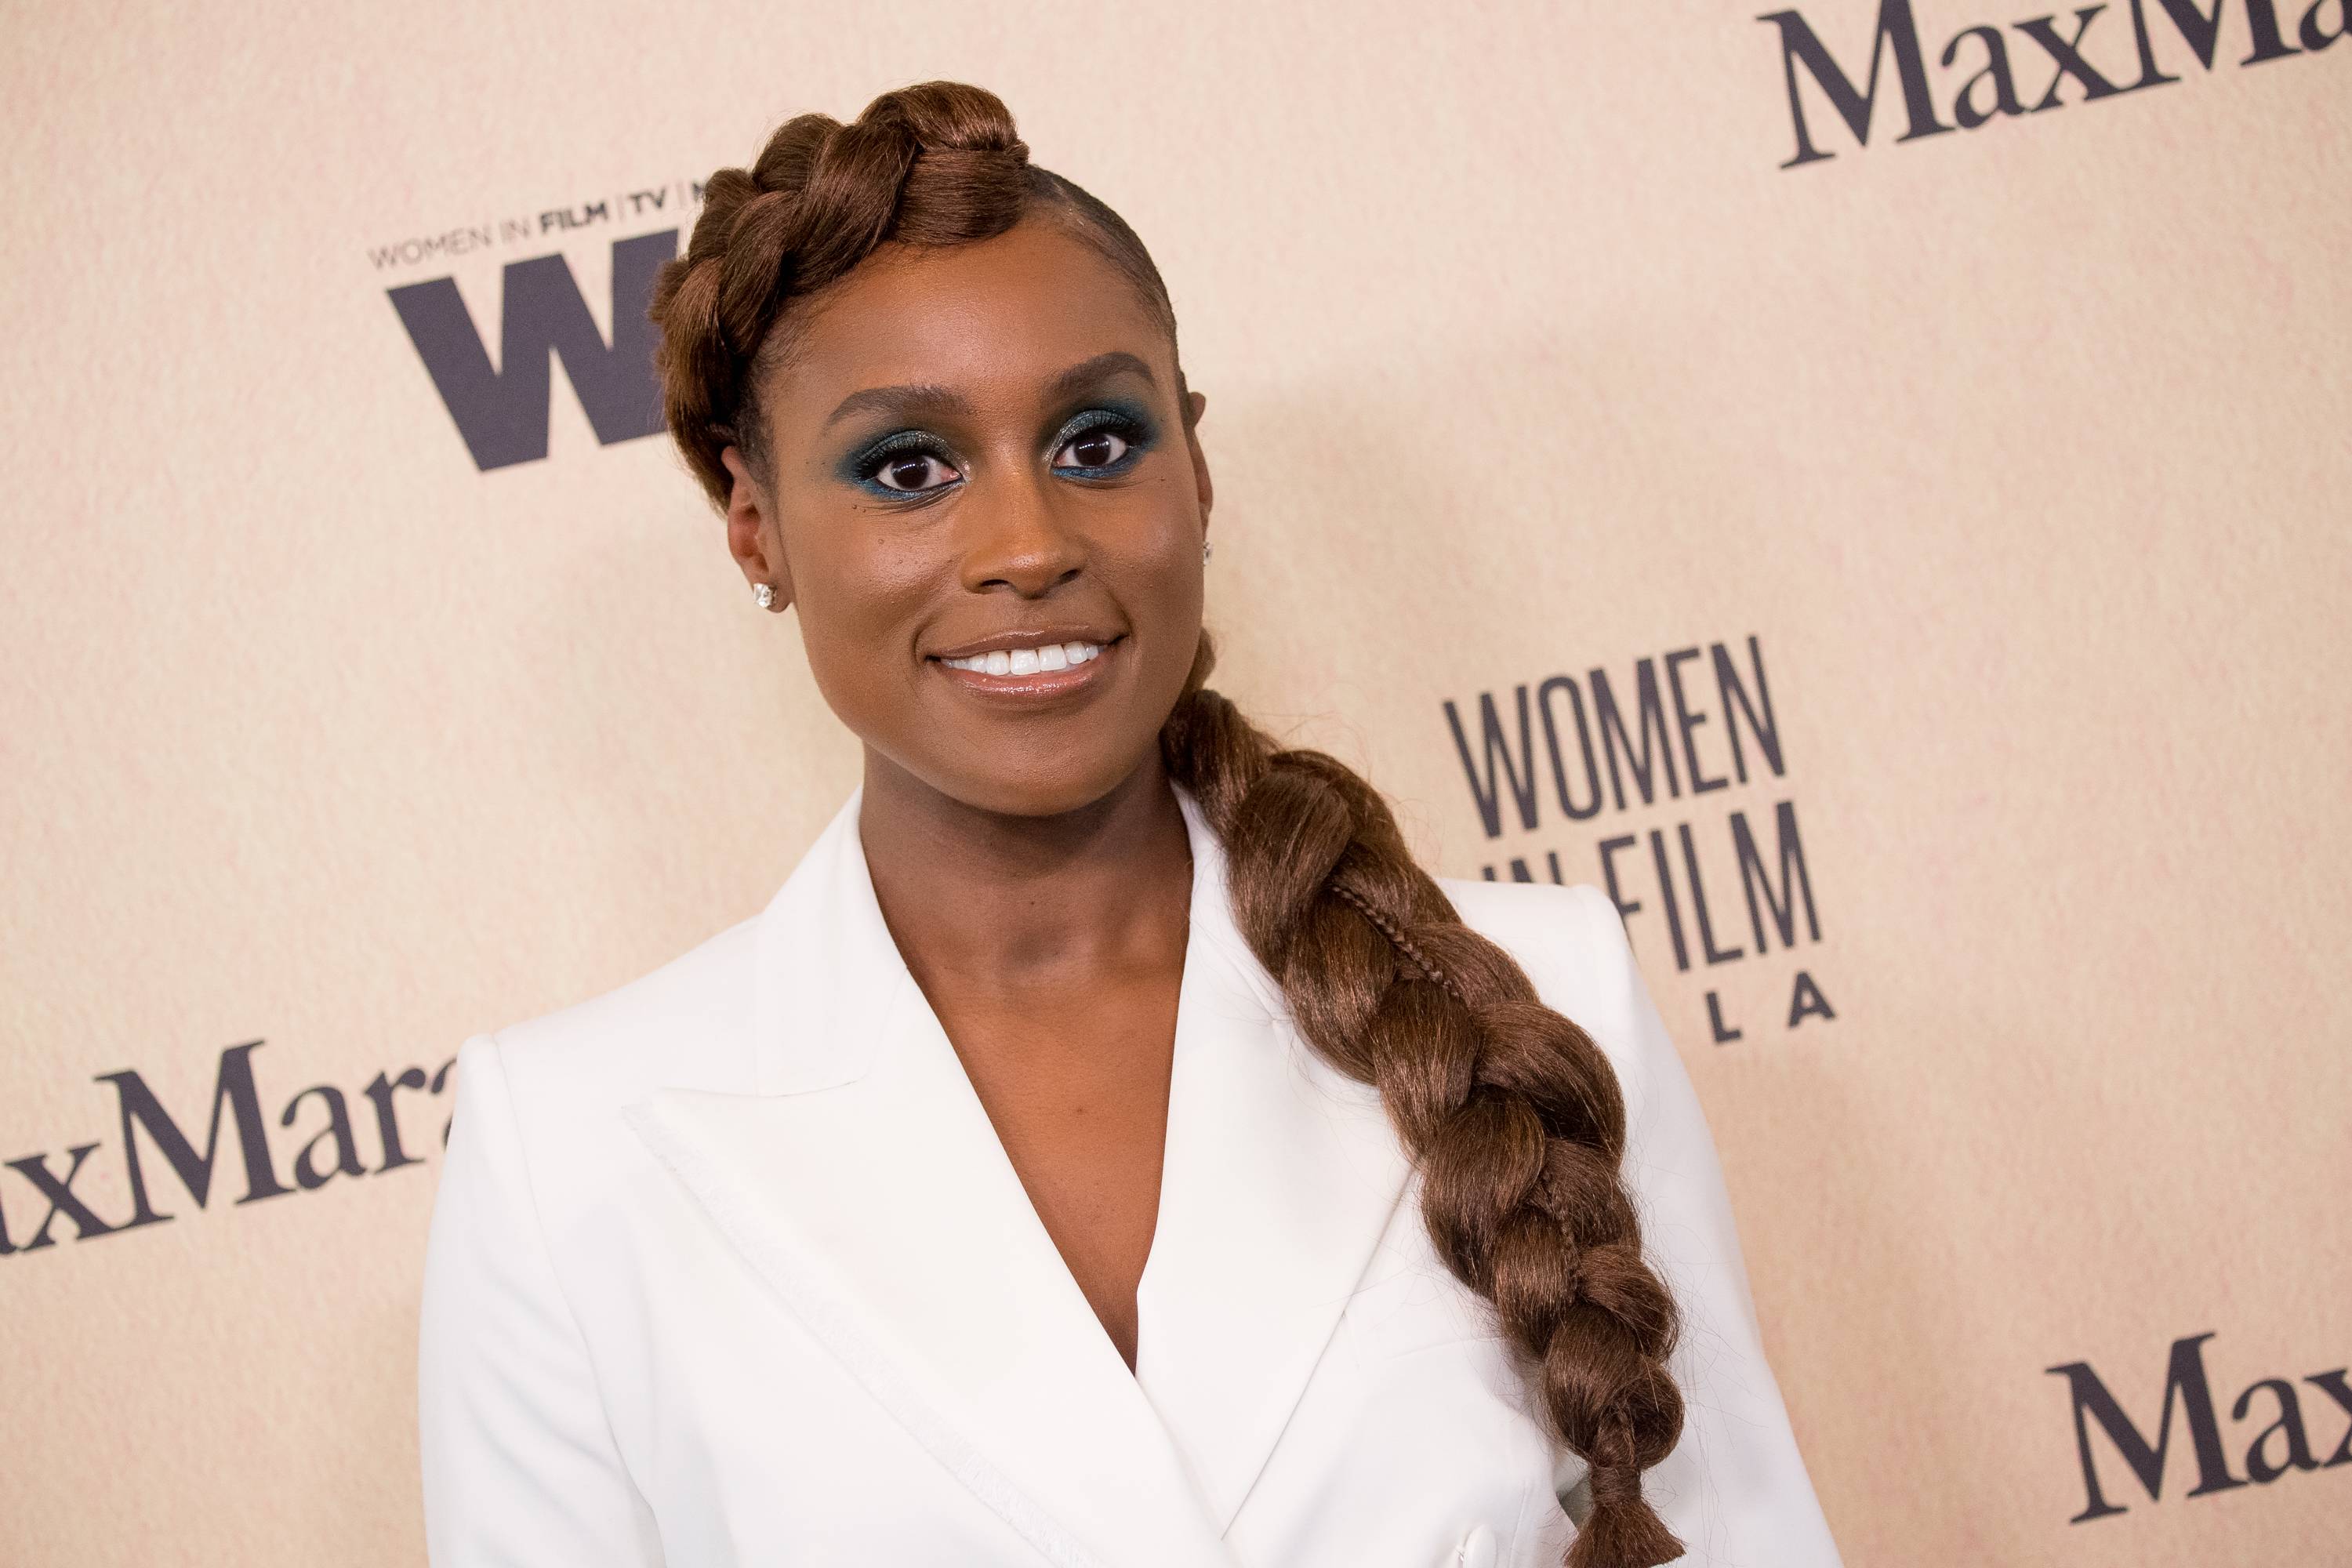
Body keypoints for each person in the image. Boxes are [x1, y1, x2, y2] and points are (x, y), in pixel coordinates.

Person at [416, 80, 1842, 1568]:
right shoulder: (567, 1149)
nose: (1031, 545)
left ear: (1197, 470)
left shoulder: (1546, 988)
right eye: (908, 468)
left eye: (1098, 442)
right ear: (755, 524)